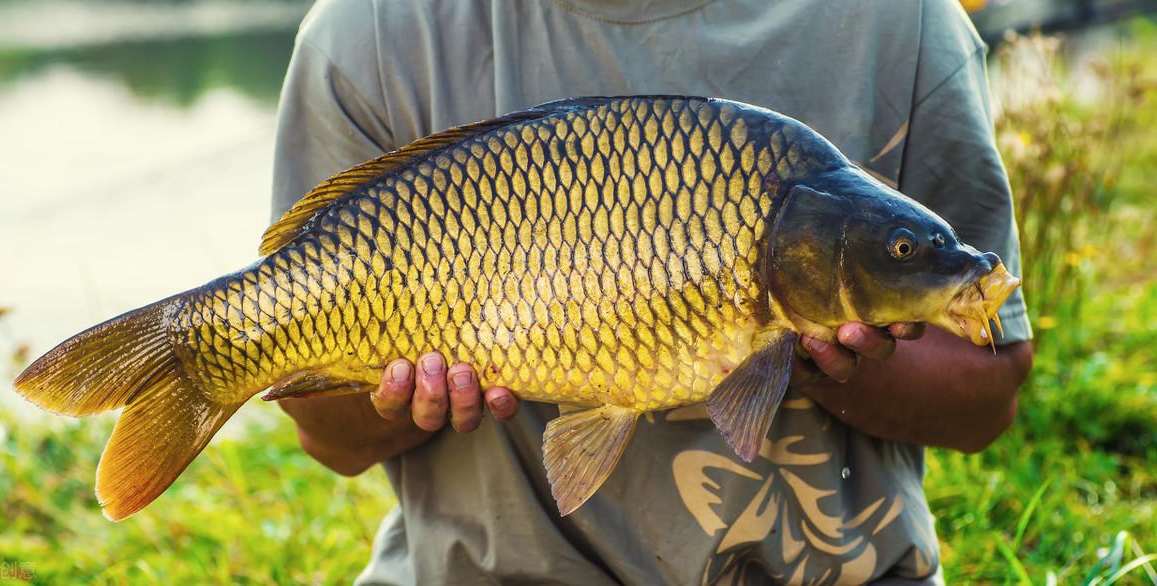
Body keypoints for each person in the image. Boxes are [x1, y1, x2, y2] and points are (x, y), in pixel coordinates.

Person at [271, 0, 1034, 583]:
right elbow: (326, 439)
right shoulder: (369, 33)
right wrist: (388, 392)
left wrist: (821, 353)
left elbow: (987, 398)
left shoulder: (898, 23)